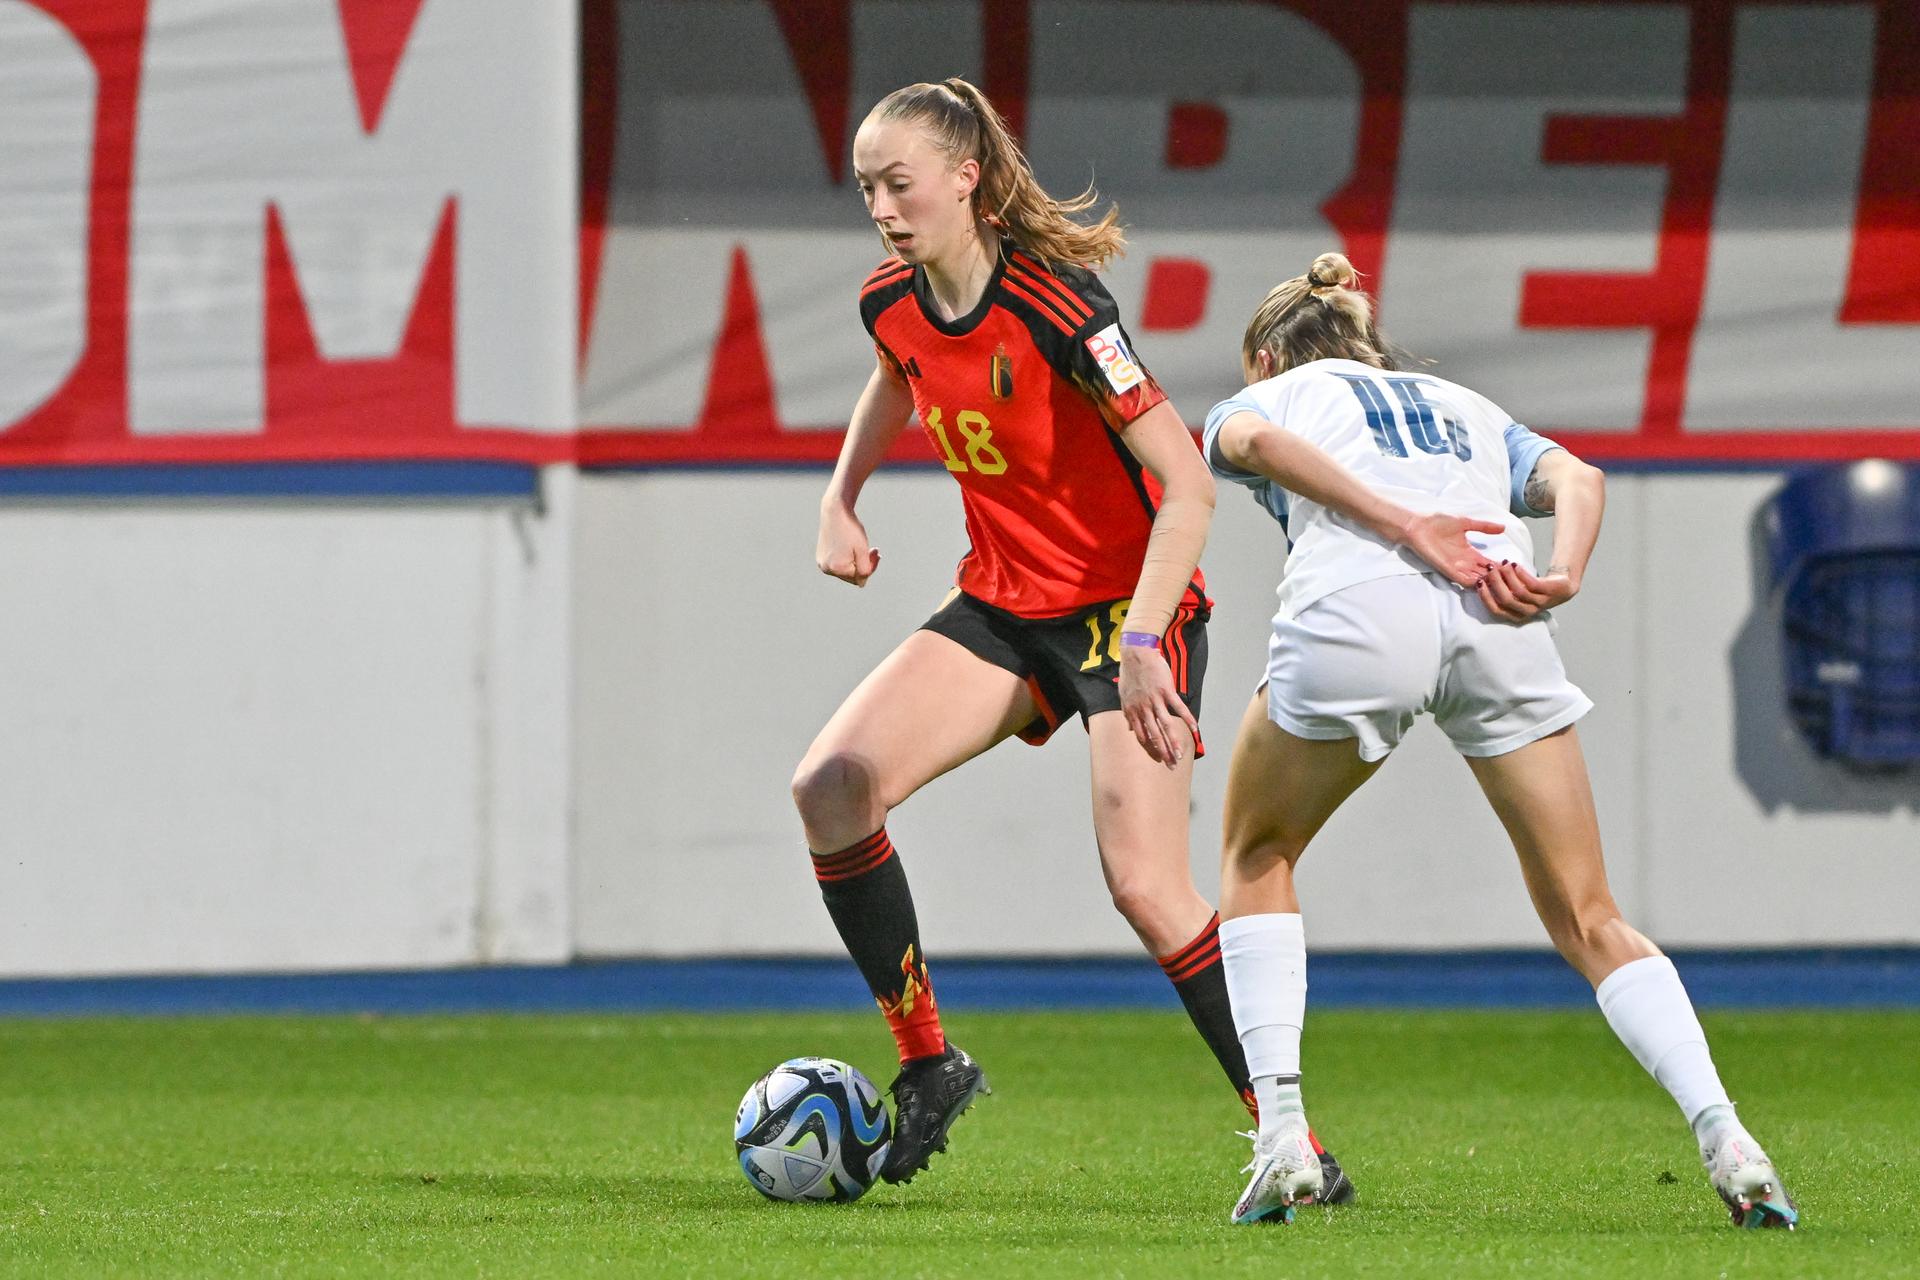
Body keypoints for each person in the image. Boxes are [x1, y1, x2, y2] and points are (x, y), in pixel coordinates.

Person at [793, 81, 1464, 1191]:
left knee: (1147, 886)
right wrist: (840, 497)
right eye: (867, 187)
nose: (881, 208)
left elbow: (1188, 486)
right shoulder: (891, 300)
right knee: (831, 787)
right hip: (1006, 604)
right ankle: (928, 1062)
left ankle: (1292, 1137)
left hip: (1126, 611)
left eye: (898, 184)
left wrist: (1146, 639)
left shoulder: (1059, 306)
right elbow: (895, 376)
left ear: (965, 177)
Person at [1199, 252, 1798, 1229]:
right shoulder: (1464, 404)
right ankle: (1729, 1137)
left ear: (1265, 355)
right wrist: (1565, 570)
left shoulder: (1273, 392)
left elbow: (1255, 441)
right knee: (1589, 912)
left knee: (1257, 853)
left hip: (1362, 603)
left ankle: (1285, 1139)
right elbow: (1578, 477)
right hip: (1498, 609)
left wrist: (1406, 525)